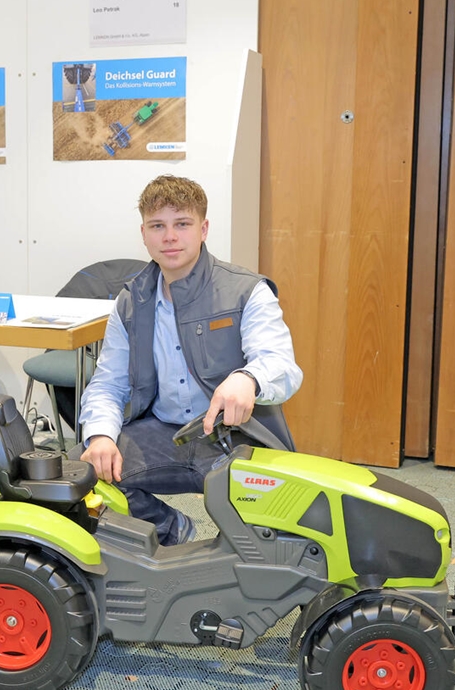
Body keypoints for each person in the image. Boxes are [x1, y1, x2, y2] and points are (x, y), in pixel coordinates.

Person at [77, 175, 302, 545]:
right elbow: (109, 383)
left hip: (235, 439)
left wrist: (248, 379)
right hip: (165, 435)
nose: (169, 237)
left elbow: (281, 364)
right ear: (144, 233)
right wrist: (100, 435)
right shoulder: (131, 302)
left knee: (267, 546)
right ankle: (171, 531)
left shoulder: (246, 290)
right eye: (157, 226)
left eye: (182, 224)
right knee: (82, 472)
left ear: (203, 229)